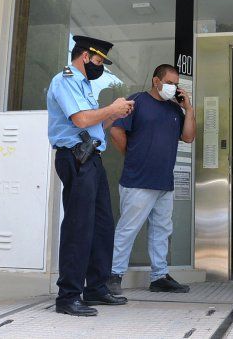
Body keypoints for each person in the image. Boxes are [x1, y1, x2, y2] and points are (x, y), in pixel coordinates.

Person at [47, 35, 134, 316]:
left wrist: (115, 114)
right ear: (85, 56)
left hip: (91, 158)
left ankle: (95, 287)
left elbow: (95, 124)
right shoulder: (65, 79)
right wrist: (110, 108)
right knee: (79, 225)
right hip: (75, 157)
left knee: (102, 225)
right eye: (98, 60)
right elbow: (81, 120)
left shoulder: (84, 85)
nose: (100, 66)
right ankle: (68, 295)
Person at [107, 64, 197, 294]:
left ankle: (159, 277)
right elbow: (116, 130)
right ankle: (114, 276)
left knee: (161, 230)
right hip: (138, 179)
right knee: (128, 228)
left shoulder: (174, 109)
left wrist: (188, 108)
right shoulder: (137, 101)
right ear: (156, 81)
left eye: (176, 84)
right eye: (169, 82)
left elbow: (188, 137)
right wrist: (132, 154)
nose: (173, 87)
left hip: (164, 182)